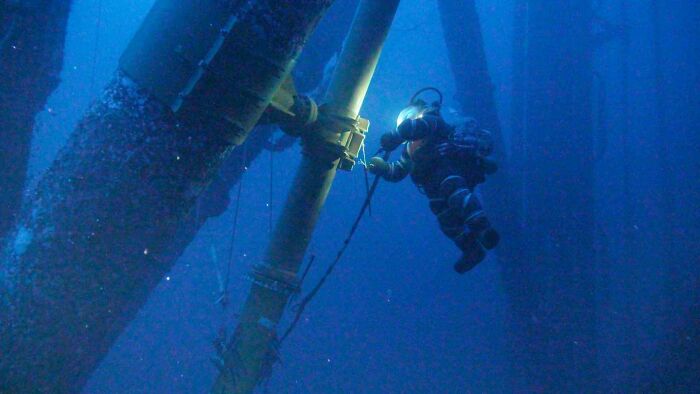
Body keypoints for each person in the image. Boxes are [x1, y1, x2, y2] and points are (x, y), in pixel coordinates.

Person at [368, 88, 499, 273]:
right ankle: (471, 249)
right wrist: (381, 168)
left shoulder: (432, 123)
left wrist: (395, 136)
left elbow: (414, 128)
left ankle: (483, 229)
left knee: (458, 196)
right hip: (432, 187)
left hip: (447, 172)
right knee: (446, 219)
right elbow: (398, 170)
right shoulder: (409, 150)